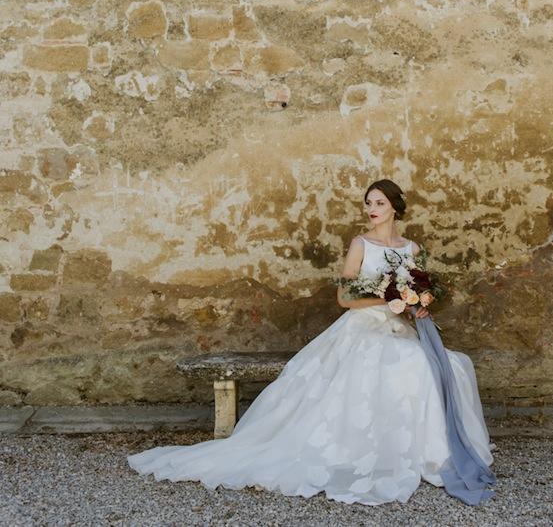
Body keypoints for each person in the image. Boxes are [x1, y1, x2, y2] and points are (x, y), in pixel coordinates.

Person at [127, 178, 495, 506]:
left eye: (379, 203)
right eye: (368, 203)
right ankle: (375, 452)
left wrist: (417, 301)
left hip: (398, 326)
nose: (372, 210)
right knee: (395, 364)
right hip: (363, 326)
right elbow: (345, 299)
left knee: (448, 365)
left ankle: (426, 451)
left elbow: (420, 288)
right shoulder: (360, 244)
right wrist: (387, 298)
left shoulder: (411, 249)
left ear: (396, 208)